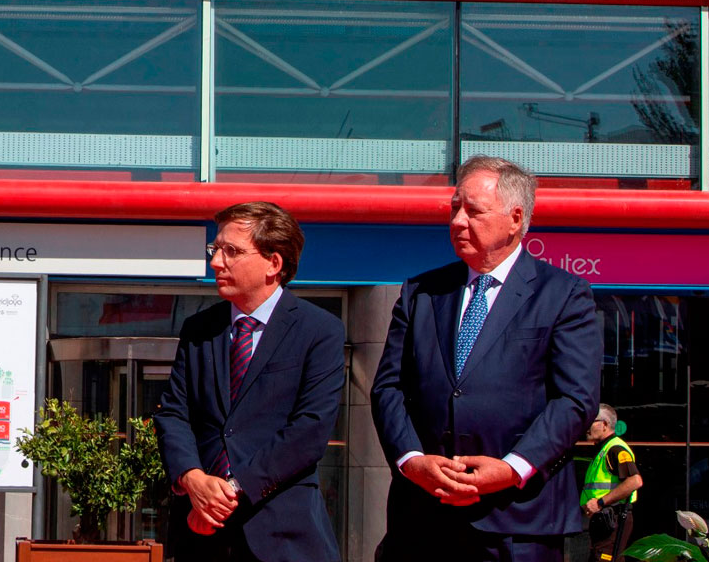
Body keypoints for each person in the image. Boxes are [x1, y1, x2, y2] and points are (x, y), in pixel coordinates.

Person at [372, 155, 602, 562]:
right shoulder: (421, 292)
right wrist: (412, 461)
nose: (458, 221)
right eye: (454, 208)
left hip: (517, 520)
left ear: (515, 218)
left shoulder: (563, 294)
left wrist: (513, 467)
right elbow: (389, 387)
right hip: (423, 517)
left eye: (473, 210)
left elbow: (574, 400)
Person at [156, 201, 346, 562]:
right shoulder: (199, 330)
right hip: (200, 535)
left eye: (231, 251)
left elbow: (309, 430)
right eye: (215, 249)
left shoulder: (319, 331)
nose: (216, 262)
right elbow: (173, 414)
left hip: (282, 536)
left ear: (273, 264)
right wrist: (192, 479)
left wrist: (232, 489)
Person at [582, 404, 641, 562]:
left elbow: (635, 481)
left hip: (613, 516)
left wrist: (600, 502)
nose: (586, 425)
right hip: (604, 518)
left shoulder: (615, 449)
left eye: (592, 421)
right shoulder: (604, 449)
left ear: (605, 425)